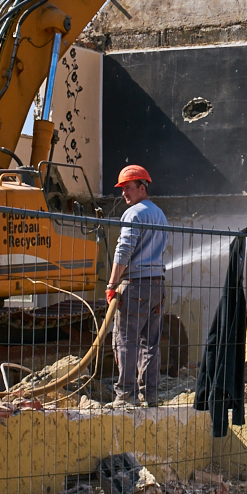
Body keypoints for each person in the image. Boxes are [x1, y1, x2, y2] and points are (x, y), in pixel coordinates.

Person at [106, 164, 168, 407]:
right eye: (122, 189)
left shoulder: (134, 214)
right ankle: (150, 395)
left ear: (142, 188)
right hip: (157, 287)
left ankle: (125, 396)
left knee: (125, 340)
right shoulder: (159, 214)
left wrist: (112, 283)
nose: (124, 193)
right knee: (150, 343)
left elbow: (123, 251)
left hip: (136, 286)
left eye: (128, 188)